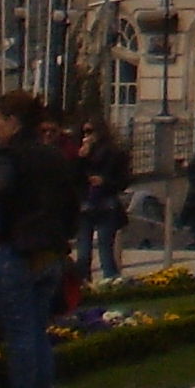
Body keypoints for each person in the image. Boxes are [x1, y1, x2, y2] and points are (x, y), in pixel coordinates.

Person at [0, 90, 81, 388]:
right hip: (50, 251)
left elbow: (1, 199)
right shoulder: (55, 156)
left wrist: (2, 235)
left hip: (17, 250)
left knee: (20, 333)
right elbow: (71, 204)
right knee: (37, 331)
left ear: (12, 122)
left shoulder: (9, 157)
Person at [73, 118, 132, 281]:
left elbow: (123, 180)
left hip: (106, 204)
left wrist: (104, 181)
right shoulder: (80, 154)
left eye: (90, 131)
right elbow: (72, 178)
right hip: (85, 205)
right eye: (84, 132)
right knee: (83, 252)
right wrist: (80, 158)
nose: (87, 136)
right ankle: (83, 283)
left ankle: (111, 281)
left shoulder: (114, 153)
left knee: (105, 249)